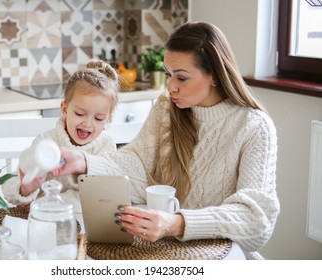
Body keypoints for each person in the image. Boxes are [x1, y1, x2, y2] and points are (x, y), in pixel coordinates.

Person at [51, 22, 280, 259]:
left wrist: (177, 223)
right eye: (168, 75)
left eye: (181, 78)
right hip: (160, 252)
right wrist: (84, 162)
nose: (171, 87)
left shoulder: (254, 127)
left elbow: (257, 221)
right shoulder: (166, 108)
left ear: (214, 75)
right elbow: (137, 166)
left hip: (223, 258)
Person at [2, 58, 120, 208]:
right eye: (79, 114)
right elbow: (13, 191)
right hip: (48, 221)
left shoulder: (106, 145)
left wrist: (54, 199)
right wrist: (26, 189)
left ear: (108, 119)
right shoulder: (46, 141)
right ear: (65, 109)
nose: (87, 123)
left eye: (98, 118)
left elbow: (106, 195)